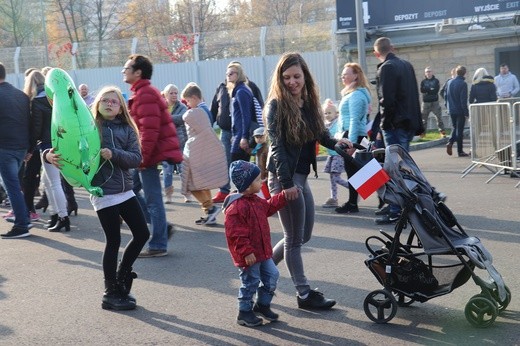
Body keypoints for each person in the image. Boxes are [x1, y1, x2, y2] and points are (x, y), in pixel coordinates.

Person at [47, 86, 150, 310]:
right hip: (103, 193)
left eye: (114, 101)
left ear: (121, 107)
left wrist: (114, 154)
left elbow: (136, 158)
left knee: (142, 233)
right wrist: (49, 155)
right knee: (113, 240)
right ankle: (110, 291)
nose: (109, 103)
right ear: (97, 103)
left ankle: (123, 277)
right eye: (105, 100)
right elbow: (62, 142)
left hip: (125, 190)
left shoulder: (127, 129)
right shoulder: (88, 126)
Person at [265, 52, 350, 309]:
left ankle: (263, 271)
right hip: (284, 179)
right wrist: (287, 183)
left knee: (303, 235)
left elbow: (321, 135)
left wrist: (337, 143)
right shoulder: (276, 106)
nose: (292, 82)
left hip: (301, 178)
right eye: (287, 77)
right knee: (293, 238)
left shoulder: (308, 102)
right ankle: (303, 294)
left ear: (305, 76)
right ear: (280, 78)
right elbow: (277, 148)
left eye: (297, 76)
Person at [123, 54, 182, 258]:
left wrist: (142, 158)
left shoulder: (145, 93)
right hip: (145, 154)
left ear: (138, 72)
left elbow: (149, 131)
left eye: (127, 67)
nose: (124, 70)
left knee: (152, 200)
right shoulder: (142, 92)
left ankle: (158, 243)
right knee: (129, 191)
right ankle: (162, 229)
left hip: (147, 155)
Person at [222, 160, 287, 327]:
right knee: (250, 282)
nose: (262, 181)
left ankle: (262, 305)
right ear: (247, 185)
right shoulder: (236, 207)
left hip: (263, 251)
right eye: (258, 180)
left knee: (272, 275)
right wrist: (246, 251)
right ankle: (244, 312)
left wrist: (283, 197)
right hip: (249, 255)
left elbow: (269, 207)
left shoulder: (255, 200)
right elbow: (236, 234)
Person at [373, 37, 423, 225]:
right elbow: (413, 96)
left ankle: (398, 209)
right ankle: (399, 207)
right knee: (402, 167)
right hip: (408, 122)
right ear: (392, 47)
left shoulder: (386, 68)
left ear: (376, 53)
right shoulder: (406, 65)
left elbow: (387, 100)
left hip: (395, 124)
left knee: (395, 169)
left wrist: (383, 125)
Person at [210, 62, 264, 204]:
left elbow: (246, 116)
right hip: (235, 134)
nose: (228, 76)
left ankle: (254, 197)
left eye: (232, 73)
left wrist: (244, 137)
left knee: (239, 169)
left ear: (239, 74)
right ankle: (248, 198)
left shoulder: (241, 91)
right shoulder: (235, 90)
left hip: (241, 136)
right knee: (240, 169)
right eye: (227, 74)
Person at [180, 83, 228, 225]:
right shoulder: (205, 109)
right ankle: (209, 211)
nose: (187, 105)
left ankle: (210, 207)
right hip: (204, 151)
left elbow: (187, 119)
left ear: (194, 98)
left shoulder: (196, 112)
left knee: (192, 184)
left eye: (188, 101)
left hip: (198, 152)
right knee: (202, 183)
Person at [0, 62, 33, 239]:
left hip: (5, 148)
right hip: (20, 148)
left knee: (11, 186)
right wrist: (30, 147)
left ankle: (22, 224)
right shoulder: (21, 95)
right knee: (11, 184)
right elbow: (29, 122)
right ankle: (23, 217)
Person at [335, 62, 371, 214]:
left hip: (353, 136)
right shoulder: (351, 93)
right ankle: (353, 202)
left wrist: (351, 143)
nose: (343, 76)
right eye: (342, 74)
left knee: (357, 172)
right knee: (363, 171)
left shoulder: (356, 95)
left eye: (346, 73)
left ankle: (352, 203)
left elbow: (354, 120)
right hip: (352, 135)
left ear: (355, 76)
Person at [161, 83, 188, 203]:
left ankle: (186, 194)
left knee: (183, 171)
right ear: (165, 95)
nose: (174, 95)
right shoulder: (161, 107)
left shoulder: (182, 106)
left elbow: (182, 118)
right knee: (167, 172)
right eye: (171, 93)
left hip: (180, 143)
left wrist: (166, 119)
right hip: (166, 145)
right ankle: (168, 196)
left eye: (176, 93)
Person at [320, 99, 349, 209]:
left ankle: (354, 188)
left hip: (338, 154)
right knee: (332, 178)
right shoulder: (325, 125)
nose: (327, 115)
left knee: (336, 177)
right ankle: (334, 198)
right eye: (325, 113)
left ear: (336, 113)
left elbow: (339, 135)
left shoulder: (337, 123)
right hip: (331, 154)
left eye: (329, 113)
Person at [445, 65, 469, 158]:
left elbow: (446, 95)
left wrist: (447, 106)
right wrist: (466, 113)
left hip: (451, 109)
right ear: (464, 73)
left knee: (455, 128)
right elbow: (463, 100)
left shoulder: (450, 82)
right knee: (459, 130)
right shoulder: (463, 83)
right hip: (459, 110)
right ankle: (459, 151)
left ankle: (450, 142)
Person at [420, 67, 446, 138]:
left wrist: (427, 90)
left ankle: (442, 132)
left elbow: (436, 90)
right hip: (425, 103)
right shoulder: (423, 82)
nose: (428, 73)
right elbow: (422, 90)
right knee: (423, 119)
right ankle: (423, 133)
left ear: (432, 72)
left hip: (435, 102)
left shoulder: (436, 81)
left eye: (429, 71)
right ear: (425, 73)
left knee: (439, 118)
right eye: (427, 72)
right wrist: (430, 89)